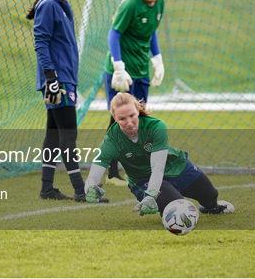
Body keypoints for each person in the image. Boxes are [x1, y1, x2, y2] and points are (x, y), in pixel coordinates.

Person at [84, 92, 235, 217]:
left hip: (175, 166)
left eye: (132, 115)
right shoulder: (111, 139)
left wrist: (151, 195)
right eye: (121, 119)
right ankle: (169, 209)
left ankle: (211, 207)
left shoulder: (156, 126)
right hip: (143, 179)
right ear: (114, 118)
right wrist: (90, 187)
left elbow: (158, 167)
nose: (129, 122)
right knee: (177, 209)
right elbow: (97, 168)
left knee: (210, 195)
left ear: (138, 110)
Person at [103, 0, 167, 185]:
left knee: (140, 120)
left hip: (141, 71)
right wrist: (119, 67)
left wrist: (157, 60)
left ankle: (140, 168)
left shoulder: (159, 4)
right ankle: (111, 170)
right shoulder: (131, 3)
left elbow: (151, 33)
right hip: (121, 73)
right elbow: (114, 34)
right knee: (119, 121)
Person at [27, 0, 86, 202]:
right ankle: (81, 191)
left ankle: (47, 188)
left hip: (64, 79)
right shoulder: (49, 5)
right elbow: (40, 42)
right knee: (68, 135)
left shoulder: (63, 4)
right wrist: (51, 77)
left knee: (53, 134)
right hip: (57, 81)